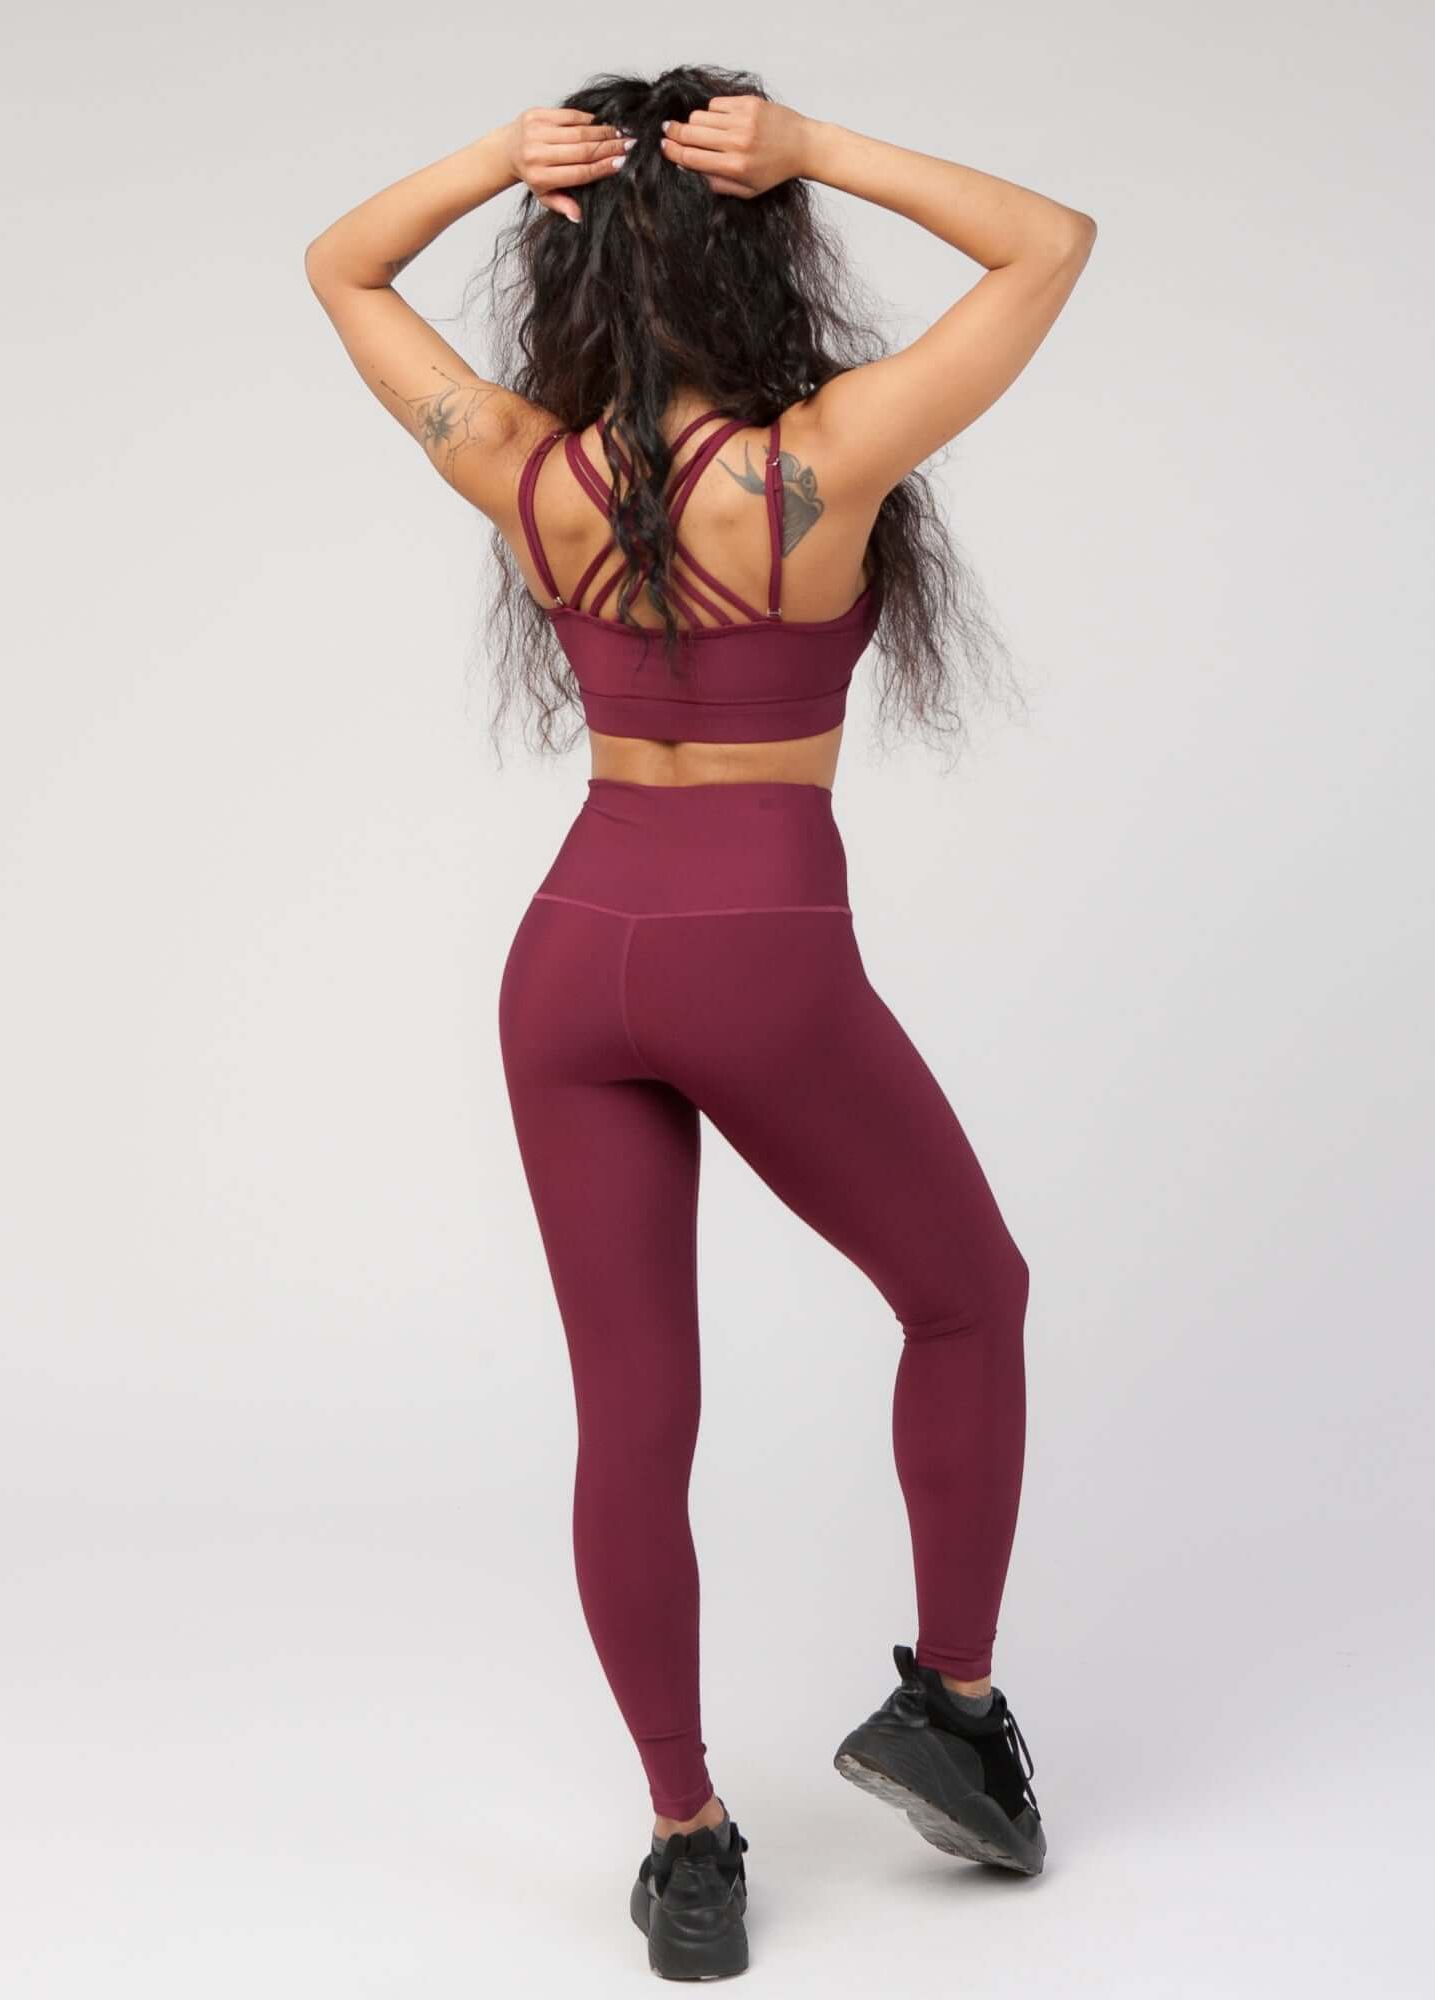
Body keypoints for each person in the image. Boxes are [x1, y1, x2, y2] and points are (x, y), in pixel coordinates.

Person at [305, 63, 1095, 1981]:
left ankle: (687, 1844)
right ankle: (954, 1708)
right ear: (759, 259)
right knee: (968, 1298)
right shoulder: (819, 459)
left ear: (571, 267)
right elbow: (1050, 244)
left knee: (634, 1414)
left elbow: (341, 267)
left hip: (572, 955)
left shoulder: (520, 464)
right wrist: (816, 147)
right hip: (758, 955)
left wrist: (496, 161)